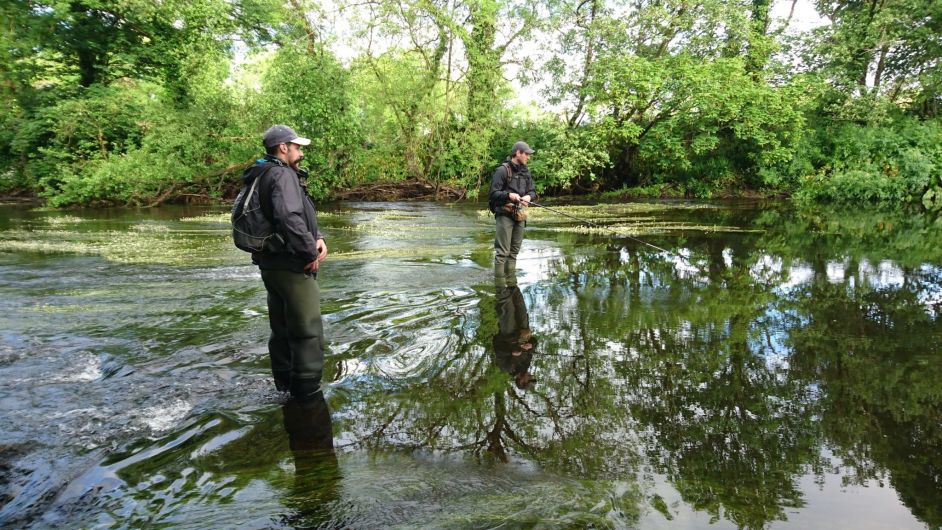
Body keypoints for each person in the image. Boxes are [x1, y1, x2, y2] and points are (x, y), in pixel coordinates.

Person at [244, 124, 328, 401]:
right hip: (292, 265)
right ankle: (308, 396)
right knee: (307, 331)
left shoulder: (263, 172)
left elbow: (294, 213)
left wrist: (316, 235)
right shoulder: (281, 175)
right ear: (283, 147)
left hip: (271, 264)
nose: (300, 152)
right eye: (297, 146)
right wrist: (309, 253)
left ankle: (283, 388)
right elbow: (289, 217)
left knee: (281, 329)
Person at [488, 140, 537, 278]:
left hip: (520, 215)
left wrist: (528, 197)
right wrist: (509, 195)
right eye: (526, 154)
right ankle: (500, 288)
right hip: (504, 215)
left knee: (514, 253)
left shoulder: (526, 172)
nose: (529, 157)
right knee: (502, 254)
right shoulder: (502, 170)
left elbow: (533, 191)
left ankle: (511, 284)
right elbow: (493, 194)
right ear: (518, 153)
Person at [492, 275, 537, 390]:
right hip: (523, 329)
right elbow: (534, 344)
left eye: (529, 379)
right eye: (532, 378)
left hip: (508, 332)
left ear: (521, 382)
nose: (531, 376)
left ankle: (499, 276)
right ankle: (510, 272)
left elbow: (497, 347)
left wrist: (511, 352)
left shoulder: (506, 368)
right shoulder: (526, 365)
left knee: (507, 305)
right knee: (519, 301)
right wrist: (531, 345)